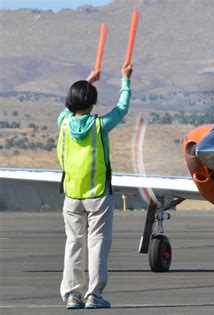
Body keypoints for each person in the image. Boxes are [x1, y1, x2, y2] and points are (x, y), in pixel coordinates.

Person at [57, 63, 133, 309]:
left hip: (71, 193)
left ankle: (72, 294)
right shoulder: (100, 125)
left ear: (70, 101)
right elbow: (122, 108)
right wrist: (125, 80)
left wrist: (88, 80)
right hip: (98, 194)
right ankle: (93, 294)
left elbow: (66, 111)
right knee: (97, 242)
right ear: (92, 103)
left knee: (74, 243)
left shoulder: (64, 123)